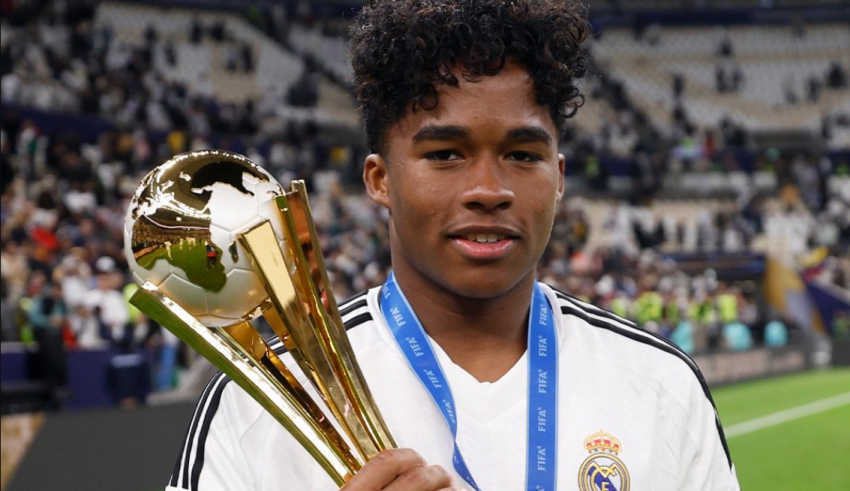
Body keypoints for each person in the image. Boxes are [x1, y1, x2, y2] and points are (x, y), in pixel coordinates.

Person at [167, 1, 740, 490]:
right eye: (444, 154)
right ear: (380, 180)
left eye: (523, 155)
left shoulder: (659, 384)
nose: (488, 190)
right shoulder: (266, 400)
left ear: (559, 178)